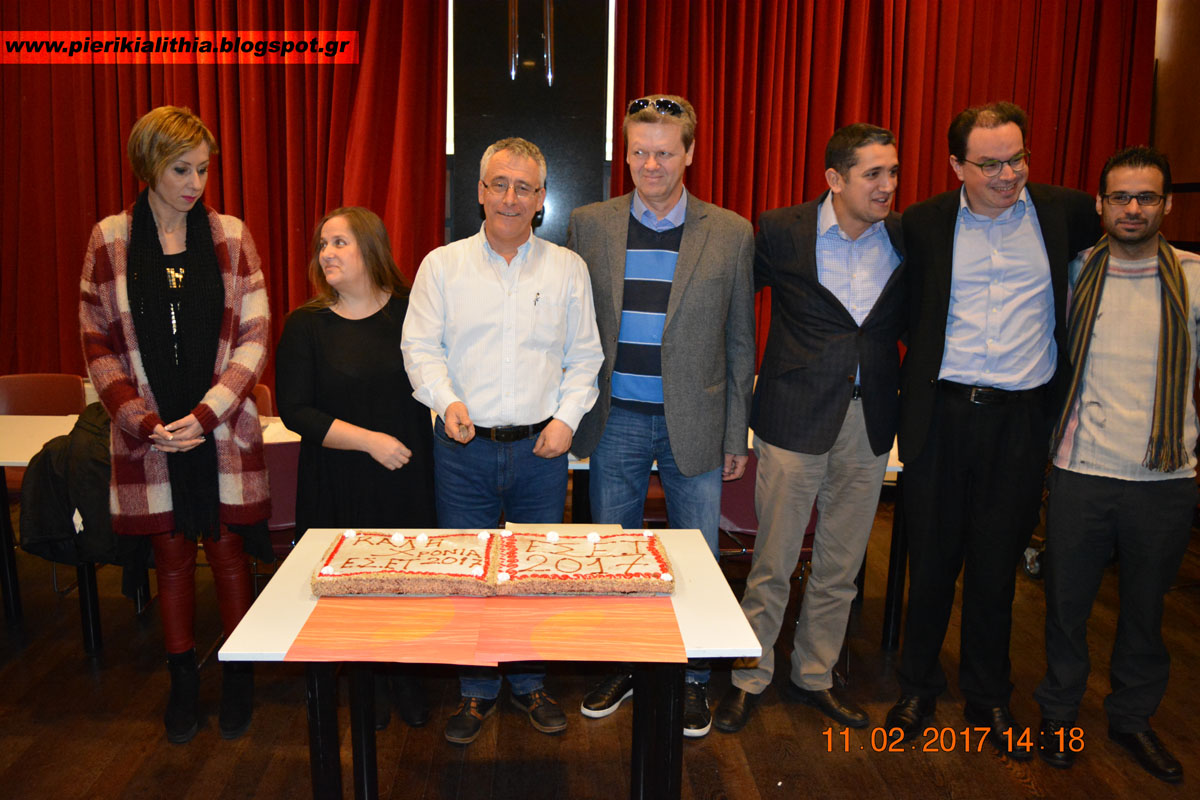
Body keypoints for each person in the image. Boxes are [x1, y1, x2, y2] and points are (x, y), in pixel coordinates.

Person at [887, 101, 1100, 758]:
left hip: (1020, 420)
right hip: (942, 416)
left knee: (996, 566)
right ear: (957, 166)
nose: (1008, 175)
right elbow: (907, 314)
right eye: (990, 165)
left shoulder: (1066, 213)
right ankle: (918, 687)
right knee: (931, 563)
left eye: (1018, 159)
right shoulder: (922, 223)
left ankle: (987, 696)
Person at [401, 137, 603, 745]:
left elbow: (585, 357)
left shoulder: (567, 269)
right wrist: (446, 401)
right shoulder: (442, 266)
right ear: (480, 191)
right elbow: (419, 347)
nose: (510, 198)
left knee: (534, 573)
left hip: (542, 450)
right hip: (463, 448)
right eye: (499, 184)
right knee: (470, 574)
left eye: (524, 187)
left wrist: (566, 420)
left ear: (541, 199)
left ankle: (530, 682)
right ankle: (476, 687)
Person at [566, 93, 756, 738]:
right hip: (614, 417)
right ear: (625, 153)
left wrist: (736, 432)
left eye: (665, 153)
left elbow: (740, 340)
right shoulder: (590, 224)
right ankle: (623, 663)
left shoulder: (730, 232)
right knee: (611, 554)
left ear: (690, 154)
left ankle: (693, 678)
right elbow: (573, 327)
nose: (651, 165)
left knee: (696, 554)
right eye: (640, 152)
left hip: (695, 421)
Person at [79, 105, 270, 743]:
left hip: (220, 426)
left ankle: (239, 672)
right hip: (153, 433)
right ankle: (183, 678)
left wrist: (208, 413)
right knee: (170, 556)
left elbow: (255, 335)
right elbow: (96, 343)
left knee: (228, 549)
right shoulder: (109, 239)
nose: (195, 183)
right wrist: (142, 420)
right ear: (149, 165)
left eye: (203, 169)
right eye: (181, 169)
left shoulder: (231, 236)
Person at [714, 124, 905, 733]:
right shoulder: (781, 230)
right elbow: (731, 307)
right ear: (834, 179)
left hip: (869, 421)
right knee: (772, 563)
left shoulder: (904, 236)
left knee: (840, 566)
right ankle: (749, 675)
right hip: (793, 417)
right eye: (873, 174)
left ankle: (815, 675)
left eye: (893, 172)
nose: (887, 185)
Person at [1033, 146, 1193, 783]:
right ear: (1099, 204)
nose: (1133, 209)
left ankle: (1132, 719)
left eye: (1146, 197)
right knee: (1066, 609)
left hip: (1166, 479)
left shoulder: (1194, 278)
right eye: (1120, 197)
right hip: (1081, 471)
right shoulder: (1071, 273)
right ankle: (1059, 715)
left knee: (1146, 614)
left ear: (1166, 205)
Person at [275, 206, 437, 731]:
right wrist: (370, 443)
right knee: (350, 592)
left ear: (371, 248)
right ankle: (366, 683)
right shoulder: (306, 324)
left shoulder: (413, 314)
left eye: (339, 243)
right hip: (337, 481)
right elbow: (295, 411)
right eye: (323, 245)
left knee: (407, 585)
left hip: (405, 480)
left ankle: (406, 677)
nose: (327, 254)